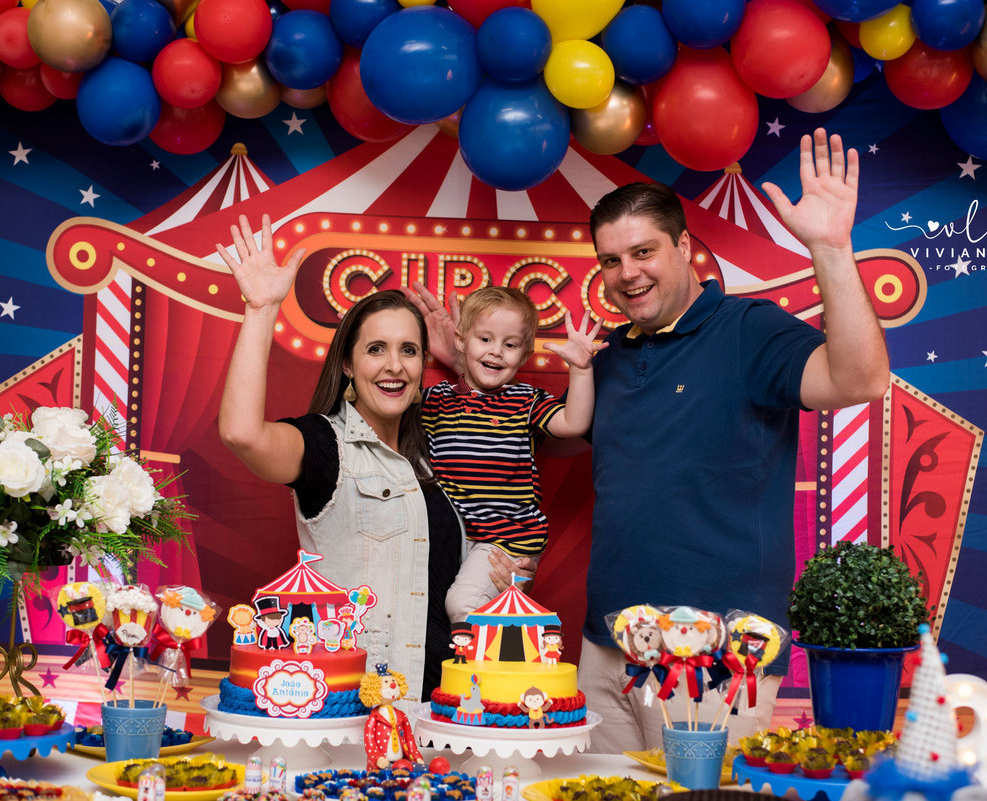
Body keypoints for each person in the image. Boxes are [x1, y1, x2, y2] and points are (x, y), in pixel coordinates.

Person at [406, 129, 890, 750]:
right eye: (611, 260)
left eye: (643, 252)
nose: (627, 274)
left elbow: (861, 378)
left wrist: (829, 248)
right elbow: (526, 441)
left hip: (714, 655)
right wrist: (465, 369)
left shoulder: (748, 330)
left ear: (684, 245)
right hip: (604, 650)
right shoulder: (605, 357)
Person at [216, 215, 533, 703]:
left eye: (408, 350)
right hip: (351, 710)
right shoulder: (326, 447)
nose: (393, 365)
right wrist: (262, 309)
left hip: (440, 709)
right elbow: (242, 434)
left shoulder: (438, 452)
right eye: (376, 350)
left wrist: (502, 575)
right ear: (347, 363)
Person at [420, 286, 605, 622]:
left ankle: (481, 673)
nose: (496, 353)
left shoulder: (524, 400)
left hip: (505, 540)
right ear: (461, 340)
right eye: (485, 339)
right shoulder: (435, 400)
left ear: (523, 355)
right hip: (452, 536)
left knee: (463, 605)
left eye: (509, 345)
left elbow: (574, 422)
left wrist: (580, 369)